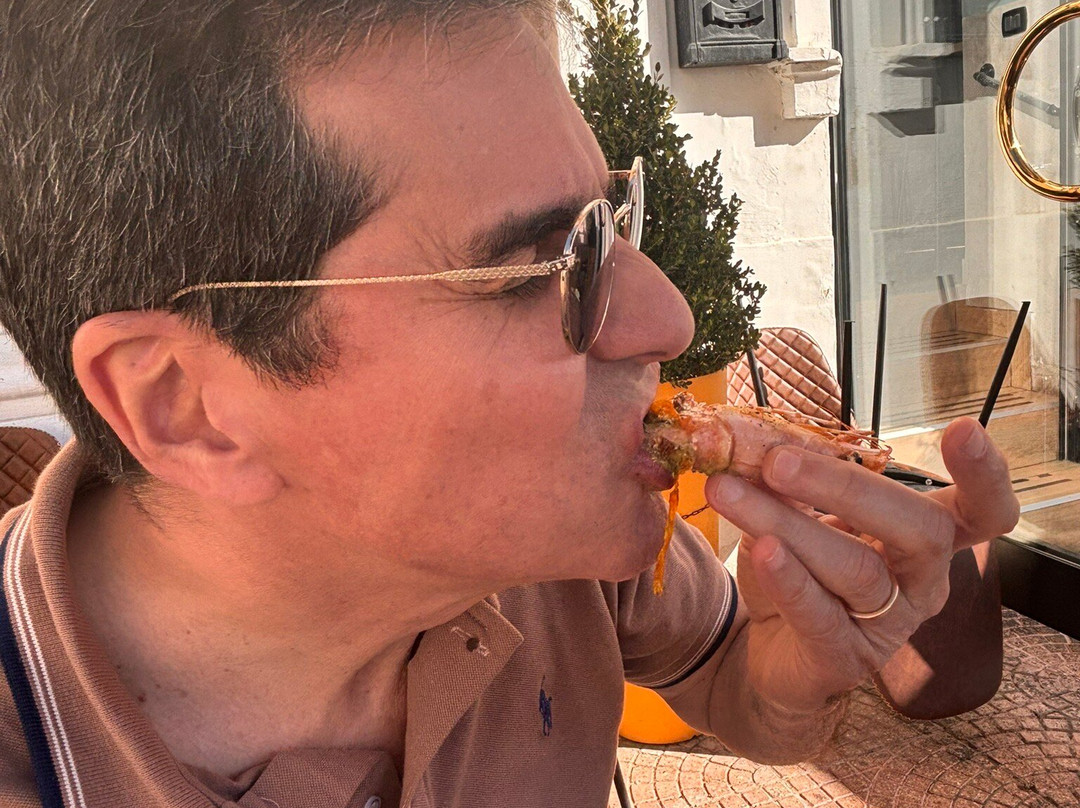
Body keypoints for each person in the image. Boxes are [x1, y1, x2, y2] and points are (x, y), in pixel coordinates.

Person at [0, 2, 1019, 806]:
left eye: (611, 221)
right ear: (187, 405)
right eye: (545, 266)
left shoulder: (553, 545)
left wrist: (794, 680)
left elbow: (734, 681)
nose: (668, 319)